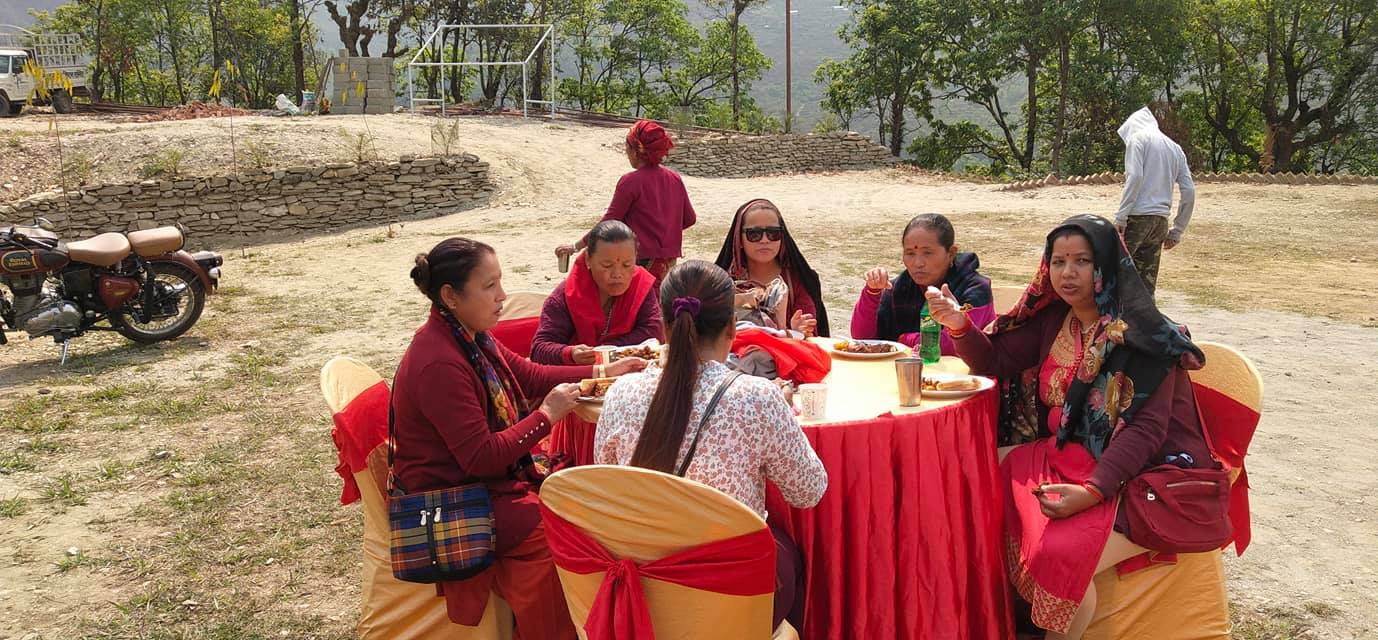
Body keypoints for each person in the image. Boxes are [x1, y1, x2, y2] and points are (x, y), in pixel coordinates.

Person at [925, 215, 1216, 640]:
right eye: (1058, 261)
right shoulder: (1057, 319)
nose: (1067, 273)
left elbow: (1145, 432)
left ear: (1107, 265)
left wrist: (1093, 491)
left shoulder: (1144, 336)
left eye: (1082, 260)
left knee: (1058, 556)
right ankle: (997, 619)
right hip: (1067, 456)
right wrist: (957, 324)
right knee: (971, 480)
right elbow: (994, 360)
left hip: (1137, 474)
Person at [391, 238, 645, 636]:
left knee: (578, 492)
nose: (502, 296)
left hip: (484, 479)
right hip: (455, 496)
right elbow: (481, 457)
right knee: (558, 530)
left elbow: (530, 375)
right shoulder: (439, 362)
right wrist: (546, 416)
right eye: (489, 286)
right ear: (450, 296)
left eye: (500, 282)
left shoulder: (469, 337)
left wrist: (603, 372)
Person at [594, 260, 828, 630]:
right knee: (789, 557)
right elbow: (809, 491)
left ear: (664, 326)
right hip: (726, 594)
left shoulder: (620, 393)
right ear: (732, 327)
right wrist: (778, 415)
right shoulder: (758, 398)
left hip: (643, 586)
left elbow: (607, 481)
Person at [555, 120, 697, 286]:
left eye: (627, 148)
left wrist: (575, 246)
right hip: (668, 262)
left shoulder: (631, 181)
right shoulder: (674, 178)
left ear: (636, 151)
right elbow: (690, 219)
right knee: (659, 300)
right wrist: (665, 231)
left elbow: (608, 222)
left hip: (639, 260)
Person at [850, 213, 994, 354]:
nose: (918, 263)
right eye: (910, 253)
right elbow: (863, 338)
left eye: (928, 253)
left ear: (951, 253)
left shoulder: (975, 289)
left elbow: (952, 345)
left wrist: (905, 339)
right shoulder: (899, 288)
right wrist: (872, 292)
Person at [531, 220, 662, 365]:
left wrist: (607, 349)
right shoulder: (566, 296)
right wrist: (570, 353)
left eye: (627, 265)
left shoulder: (641, 285)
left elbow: (653, 330)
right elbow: (539, 349)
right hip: (580, 374)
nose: (617, 274)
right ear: (588, 259)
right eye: (607, 265)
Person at [713, 198, 828, 337]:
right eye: (754, 233)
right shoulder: (723, 284)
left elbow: (810, 334)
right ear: (739, 240)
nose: (765, 240)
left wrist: (800, 331)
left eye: (773, 233)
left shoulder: (797, 281)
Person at [1114, 106, 1196, 297]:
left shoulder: (1137, 139)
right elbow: (1189, 190)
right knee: (1146, 286)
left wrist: (1121, 216)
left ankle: (1110, 316)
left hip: (1136, 219)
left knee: (1114, 277)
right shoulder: (1175, 148)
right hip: (1160, 223)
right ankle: (1147, 316)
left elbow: (1135, 177)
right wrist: (1177, 230)